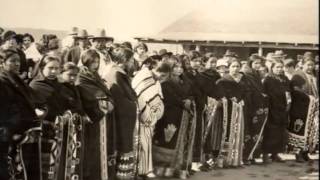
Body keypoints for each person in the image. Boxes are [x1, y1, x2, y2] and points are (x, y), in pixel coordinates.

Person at [29, 55, 72, 180]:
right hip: (44, 132)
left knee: (59, 165)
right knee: (45, 166)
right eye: (50, 68)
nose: (54, 71)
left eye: (57, 68)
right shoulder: (36, 85)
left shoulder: (59, 85)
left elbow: (67, 103)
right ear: (42, 67)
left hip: (61, 130)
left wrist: (67, 112)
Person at [0, 49, 41, 180]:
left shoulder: (17, 80)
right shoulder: (2, 81)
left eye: (18, 61)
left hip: (22, 131)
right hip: (8, 133)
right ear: (3, 63)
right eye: (12, 61)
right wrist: (13, 128)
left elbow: (31, 101)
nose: (17, 64)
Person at [153, 59, 197, 179]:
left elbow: (192, 94)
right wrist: (184, 103)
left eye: (181, 67)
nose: (179, 69)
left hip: (183, 116)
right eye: (175, 67)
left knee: (181, 140)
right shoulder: (165, 82)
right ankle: (164, 168)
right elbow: (169, 98)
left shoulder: (186, 81)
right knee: (168, 139)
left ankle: (178, 168)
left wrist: (190, 99)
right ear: (170, 70)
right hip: (169, 115)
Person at [76, 49, 116, 180]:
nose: (95, 64)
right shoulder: (81, 77)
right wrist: (103, 105)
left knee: (102, 148)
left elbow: (104, 91)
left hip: (102, 119)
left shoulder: (95, 75)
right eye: (93, 61)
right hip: (93, 119)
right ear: (86, 61)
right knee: (93, 149)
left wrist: (108, 100)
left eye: (97, 62)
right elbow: (86, 95)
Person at [103, 47, 137, 180]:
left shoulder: (117, 72)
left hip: (122, 115)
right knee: (123, 144)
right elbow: (121, 98)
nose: (132, 62)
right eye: (131, 60)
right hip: (121, 117)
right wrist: (133, 105)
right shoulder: (116, 74)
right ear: (125, 60)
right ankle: (121, 176)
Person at [131, 57, 166, 179]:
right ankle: (141, 170)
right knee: (142, 142)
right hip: (142, 114)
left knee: (146, 141)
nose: (161, 77)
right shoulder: (144, 77)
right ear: (152, 67)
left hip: (150, 115)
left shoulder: (153, 78)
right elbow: (139, 95)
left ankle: (145, 169)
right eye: (160, 74)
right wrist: (147, 113)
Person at [215, 59, 249, 168]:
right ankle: (223, 161)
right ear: (229, 68)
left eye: (238, 66)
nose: (236, 68)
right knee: (226, 133)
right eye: (233, 66)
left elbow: (246, 93)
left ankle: (235, 160)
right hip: (226, 111)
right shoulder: (223, 80)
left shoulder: (242, 81)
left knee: (237, 133)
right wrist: (229, 98)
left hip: (238, 110)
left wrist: (240, 99)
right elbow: (219, 93)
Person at [288, 57, 319, 162]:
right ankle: (298, 154)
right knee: (299, 130)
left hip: (311, 109)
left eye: (312, 65)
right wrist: (309, 98)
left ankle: (305, 152)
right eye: (308, 65)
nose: (310, 67)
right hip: (300, 108)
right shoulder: (298, 75)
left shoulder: (314, 76)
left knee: (309, 131)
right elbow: (295, 90)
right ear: (302, 65)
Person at [262, 60, 291, 163]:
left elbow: (288, 91)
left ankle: (275, 154)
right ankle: (265, 154)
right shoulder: (268, 79)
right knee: (270, 132)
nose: (280, 69)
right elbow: (264, 93)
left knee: (280, 132)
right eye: (277, 67)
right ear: (272, 68)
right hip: (271, 108)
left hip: (282, 108)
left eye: (281, 67)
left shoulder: (285, 79)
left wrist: (288, 102)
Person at [242, 54, 269, 165]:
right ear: (250, 63)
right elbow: (247, 91)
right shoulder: (246, 74)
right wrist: (259, 95)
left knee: (255, 132)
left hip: (257, 106)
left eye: (259, 63)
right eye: (255, 63)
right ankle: (245, 156)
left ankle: (252, 155)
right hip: (249, 106)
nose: (258, 65)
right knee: (248, 131)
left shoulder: (257, 74)